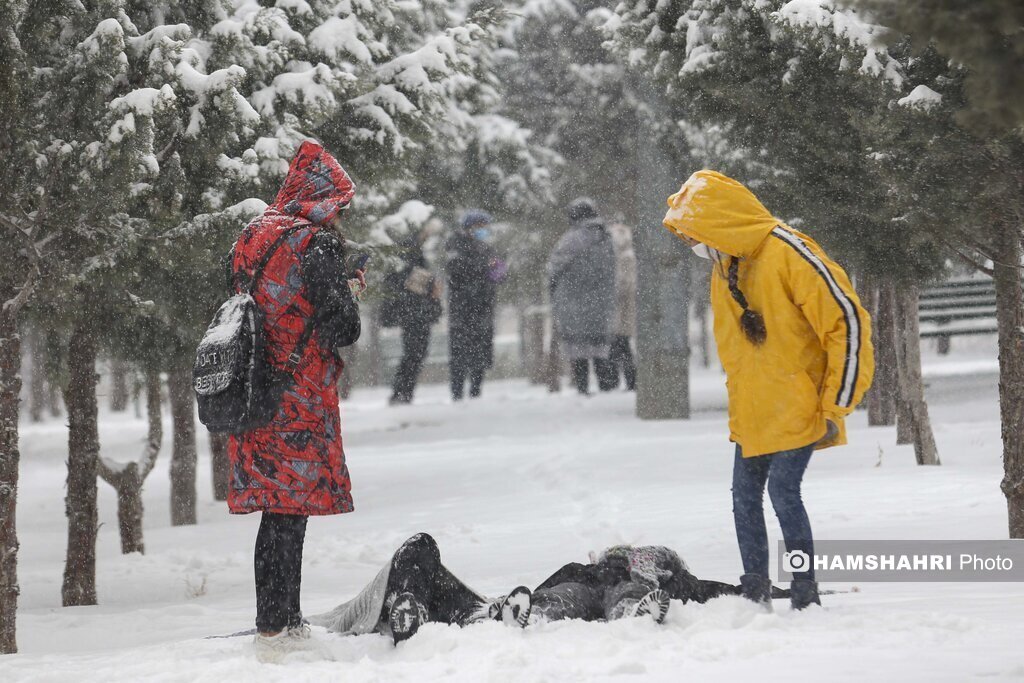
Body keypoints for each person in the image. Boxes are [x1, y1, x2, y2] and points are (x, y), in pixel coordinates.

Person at [662, 170, 874, 610]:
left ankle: (804, 591)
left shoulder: (790, 253)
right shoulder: (725, 265)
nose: (694, 245)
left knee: (783, 493)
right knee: (744, 500)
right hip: (754, 411)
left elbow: (847, 324)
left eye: (695, 234)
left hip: (800, 405)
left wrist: (836, 404)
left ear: (720, 223)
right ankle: (754, 591)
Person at [226, 141, 364, 659]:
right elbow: (342, 327)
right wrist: (351, 290)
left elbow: (264, 303)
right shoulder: (316, 243)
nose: (340, 216)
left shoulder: (251, 236)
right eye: (339, 205)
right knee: (289, 511)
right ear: (321, 198)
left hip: (253, 387)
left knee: (275, 508)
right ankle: (277, 627)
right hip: (297, 394)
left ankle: (280, 621)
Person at [310, 533, 532, 644]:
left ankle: (477, 618)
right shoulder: (400, 573)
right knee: (422, 545)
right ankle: (472, 617)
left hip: (412, 599)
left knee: (424, 551)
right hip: (395, 599)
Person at [547, 198, 617, 395]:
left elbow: (554, 267)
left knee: (578, 348)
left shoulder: (571, 239)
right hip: (601, 303)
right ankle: (606, 386)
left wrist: (555, 289)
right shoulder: (606, 238)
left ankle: (583, 387)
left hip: (573, 302)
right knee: (600, 347)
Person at [445, 210, 507, 401]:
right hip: (462, 309)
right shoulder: (455, 244)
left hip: (483, 307)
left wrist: (498, 269)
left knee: (480, 352)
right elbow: (457, 271)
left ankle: (476, 391)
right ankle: (457, 393)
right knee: (460, 353)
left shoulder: (487, 248)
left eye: (485, 227)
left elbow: (498, 274)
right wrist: (484, 267)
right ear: (468, 227)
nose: (483, 230)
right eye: (479, 226)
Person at [381, 227, 443, 405]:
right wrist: (428, 284)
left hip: (416, 314)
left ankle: (403, 392)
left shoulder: (412, 254)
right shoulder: (410, 254)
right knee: (414, 354)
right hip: (414, 314)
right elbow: (406, 282)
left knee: (415, 354)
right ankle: (402, 392)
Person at [595, 221, 638, 391]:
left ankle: (619, 381)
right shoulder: (623, 256)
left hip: (621, 311)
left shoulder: (624, 258)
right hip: (621, 312)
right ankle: (623, 381)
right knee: (620, 345)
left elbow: (625, 284)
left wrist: (609, 293)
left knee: (619, 345)